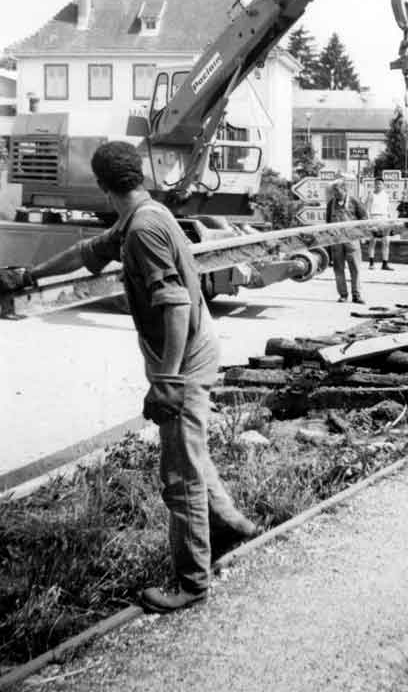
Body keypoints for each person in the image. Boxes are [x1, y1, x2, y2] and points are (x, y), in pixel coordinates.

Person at [0, 141, 257, 613]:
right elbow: (86, 251)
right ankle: (230, 525)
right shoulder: (145, 214)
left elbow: (176, 307)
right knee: (190, 449)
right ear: (137, 176)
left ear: (101, 186)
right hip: (194, 349)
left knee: (178, 472)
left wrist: (167, 382)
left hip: (185, 358)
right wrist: (30, 276)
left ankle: (192, 584)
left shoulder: (142, 231)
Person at [325, 179, 366, 303]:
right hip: (336, 241)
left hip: (352, 239)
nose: (335, 194)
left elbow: (364, 217)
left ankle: (356, 295)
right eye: (334, 192)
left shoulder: (354, 201)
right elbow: (327, 223)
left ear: (345, 190)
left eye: (337, 191)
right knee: (338, 268)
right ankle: (343, 294)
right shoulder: (331, 204)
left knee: (355, 267)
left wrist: (361, 234)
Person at [365, 176, 394, 271]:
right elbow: (367, 209)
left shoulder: (386, 195)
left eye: (380, 184)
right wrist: (369, 221)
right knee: (372, 241)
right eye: (376, 184)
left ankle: (385, 263)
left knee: (386, 242)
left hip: (384, 219)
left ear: (383, 185)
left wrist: (390, 219)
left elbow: (389, 208)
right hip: (374, 218)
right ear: (374, 185)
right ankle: (371, 263)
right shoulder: (371, 195)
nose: (378, 186)